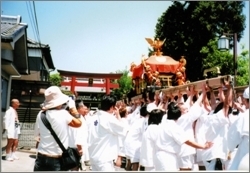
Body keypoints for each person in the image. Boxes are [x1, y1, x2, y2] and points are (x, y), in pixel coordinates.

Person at [33, 86, 82, 171]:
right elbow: (79, 123)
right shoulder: (63, 114)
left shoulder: (40, 114)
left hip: (41, 157)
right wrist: (73, 109)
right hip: (56, 159)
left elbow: (37, 135)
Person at [153, 102, 213, 171]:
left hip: (159, 157)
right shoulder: (173, 126)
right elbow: (187, 141)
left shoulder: (163, 122)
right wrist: (203, 146)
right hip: (168, 158)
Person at [88, 95, 128, 171]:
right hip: (104, 158)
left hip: (93, 156)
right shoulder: (109, 119)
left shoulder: (92, 117)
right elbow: (124, 129)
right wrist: (118, 115)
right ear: (112, 107)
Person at [227, 86, 249, 170]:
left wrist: (230, 148)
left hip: (246, 154)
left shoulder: (244, 116)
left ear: (246, 101)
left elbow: (232, 140)